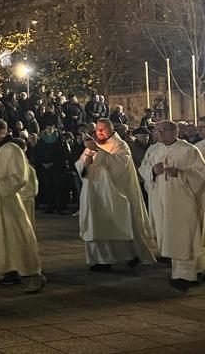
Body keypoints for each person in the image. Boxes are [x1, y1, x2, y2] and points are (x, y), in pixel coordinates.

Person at [75, 119, 156, 273]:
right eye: (97, 129)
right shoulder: (94, 144)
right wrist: (86, 161)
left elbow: (120, 166)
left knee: (118, 223)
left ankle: (129, 255)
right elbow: (80, 164)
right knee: (95, 224)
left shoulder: (120, 145)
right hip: (93, 192)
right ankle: (100, 259)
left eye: (103, 129)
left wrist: (97, 152)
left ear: (111, 129)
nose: (99, 132)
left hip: (112, 193)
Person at [0, 118, 46, 294]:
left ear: (3, 132)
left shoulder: (13, 149)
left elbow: (20, 176)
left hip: (9, 200)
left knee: (18, 237)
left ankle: (33, 275)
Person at [138, 121, 205, 290]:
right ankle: (179, 273)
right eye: (158, 130)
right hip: (163, 201)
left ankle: (187, 275)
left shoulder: (188, 150)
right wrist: (153, 171)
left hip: (184, 201)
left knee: (185, 235)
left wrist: (181, 173)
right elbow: (143, 169)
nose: (160, 134)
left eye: (164, 130)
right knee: (171, 235)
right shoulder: (156, 150)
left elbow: (201, 173)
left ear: (175, 132)